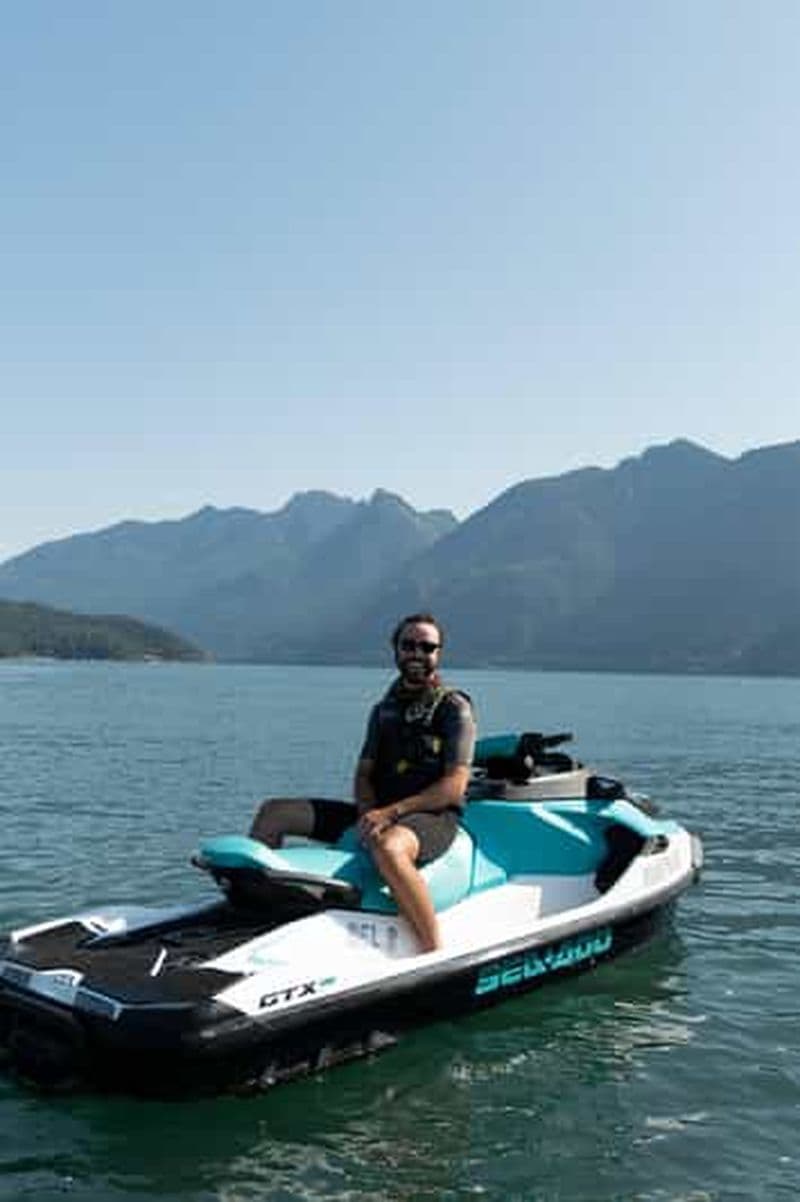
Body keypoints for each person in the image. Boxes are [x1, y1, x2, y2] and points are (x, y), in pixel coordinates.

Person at [250, 613, 476, 952]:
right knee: (273, 813)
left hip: (430, 816)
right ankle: (255, 917)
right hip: (377, 811)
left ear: (438, 654)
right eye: (409, 645)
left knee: (390, 848)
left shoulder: (454, 709)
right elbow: (364, 774)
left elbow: (454, 786)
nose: (417, 653)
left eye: (427, 647)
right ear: (395, 650)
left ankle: (432, 948)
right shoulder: (383, 710)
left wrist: (390, 814)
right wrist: (368, 814)